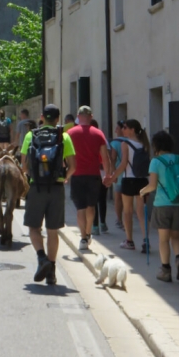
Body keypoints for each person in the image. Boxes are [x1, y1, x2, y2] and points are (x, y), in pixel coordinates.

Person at [21, 104, 76, 285]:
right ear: (58, 119)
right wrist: (64, 178)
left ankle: (41, 257)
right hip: (56, 188)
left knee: (33, 228)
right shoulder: (64, 137)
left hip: (36, 187)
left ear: (42, 117)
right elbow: (73, 166)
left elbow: (25, 167)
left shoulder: (31, 135)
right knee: (53, 230)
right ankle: (51, 271)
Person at [140, 131, 179, 282]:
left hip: (162, 205)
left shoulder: (156, 162)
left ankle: (165, 270)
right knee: (175, 237)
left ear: (156, 145)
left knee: (163, 239)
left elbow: (152, 185)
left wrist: (142, 191)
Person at [67, 106, 113, 252]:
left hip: (77, 174)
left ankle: (83, 238)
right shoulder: (98, 134)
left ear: (78, 116)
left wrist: (65, 173)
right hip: (94, 175)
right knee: (91, 207)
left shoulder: (70, 133)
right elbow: (105, 158)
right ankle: (88, 233)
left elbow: (64, 155)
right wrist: (108, 175)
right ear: (91, 116)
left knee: (80, 208)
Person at [108, 119, 151, 253]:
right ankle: (146, 240)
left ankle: (129, 241)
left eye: (125, 127)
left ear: (132, 130)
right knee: (141, 212)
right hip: (142, 181)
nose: (123, 129)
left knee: (127, 212)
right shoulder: (144, 144)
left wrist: (112, 177)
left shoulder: (125, 144)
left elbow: (123, 164)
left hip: (129, 181)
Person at [109, 122, 127, 230]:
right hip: (129, 173)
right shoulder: (130, 142)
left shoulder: (115, 143)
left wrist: (113, 173)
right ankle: (125, 220)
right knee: (126, 199)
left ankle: (119, 220)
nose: (115, 130)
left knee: (118, 198)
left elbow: (113, 159)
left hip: (119, 173)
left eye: (117, 128)